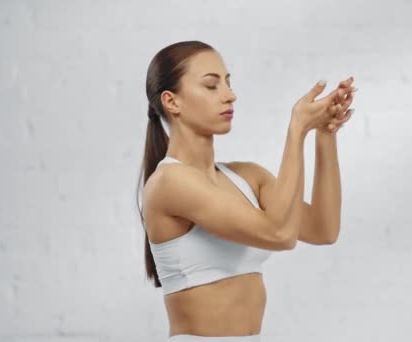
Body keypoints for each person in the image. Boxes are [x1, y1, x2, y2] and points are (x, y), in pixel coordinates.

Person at [135, 40, 356, 341]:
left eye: (228, 83)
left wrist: (325, 133)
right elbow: (279, 234)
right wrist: (297, 130)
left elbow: (322, 229)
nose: (230, 95)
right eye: (211, 86)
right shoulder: (169, 183)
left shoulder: (246, 176)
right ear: (172, 102)